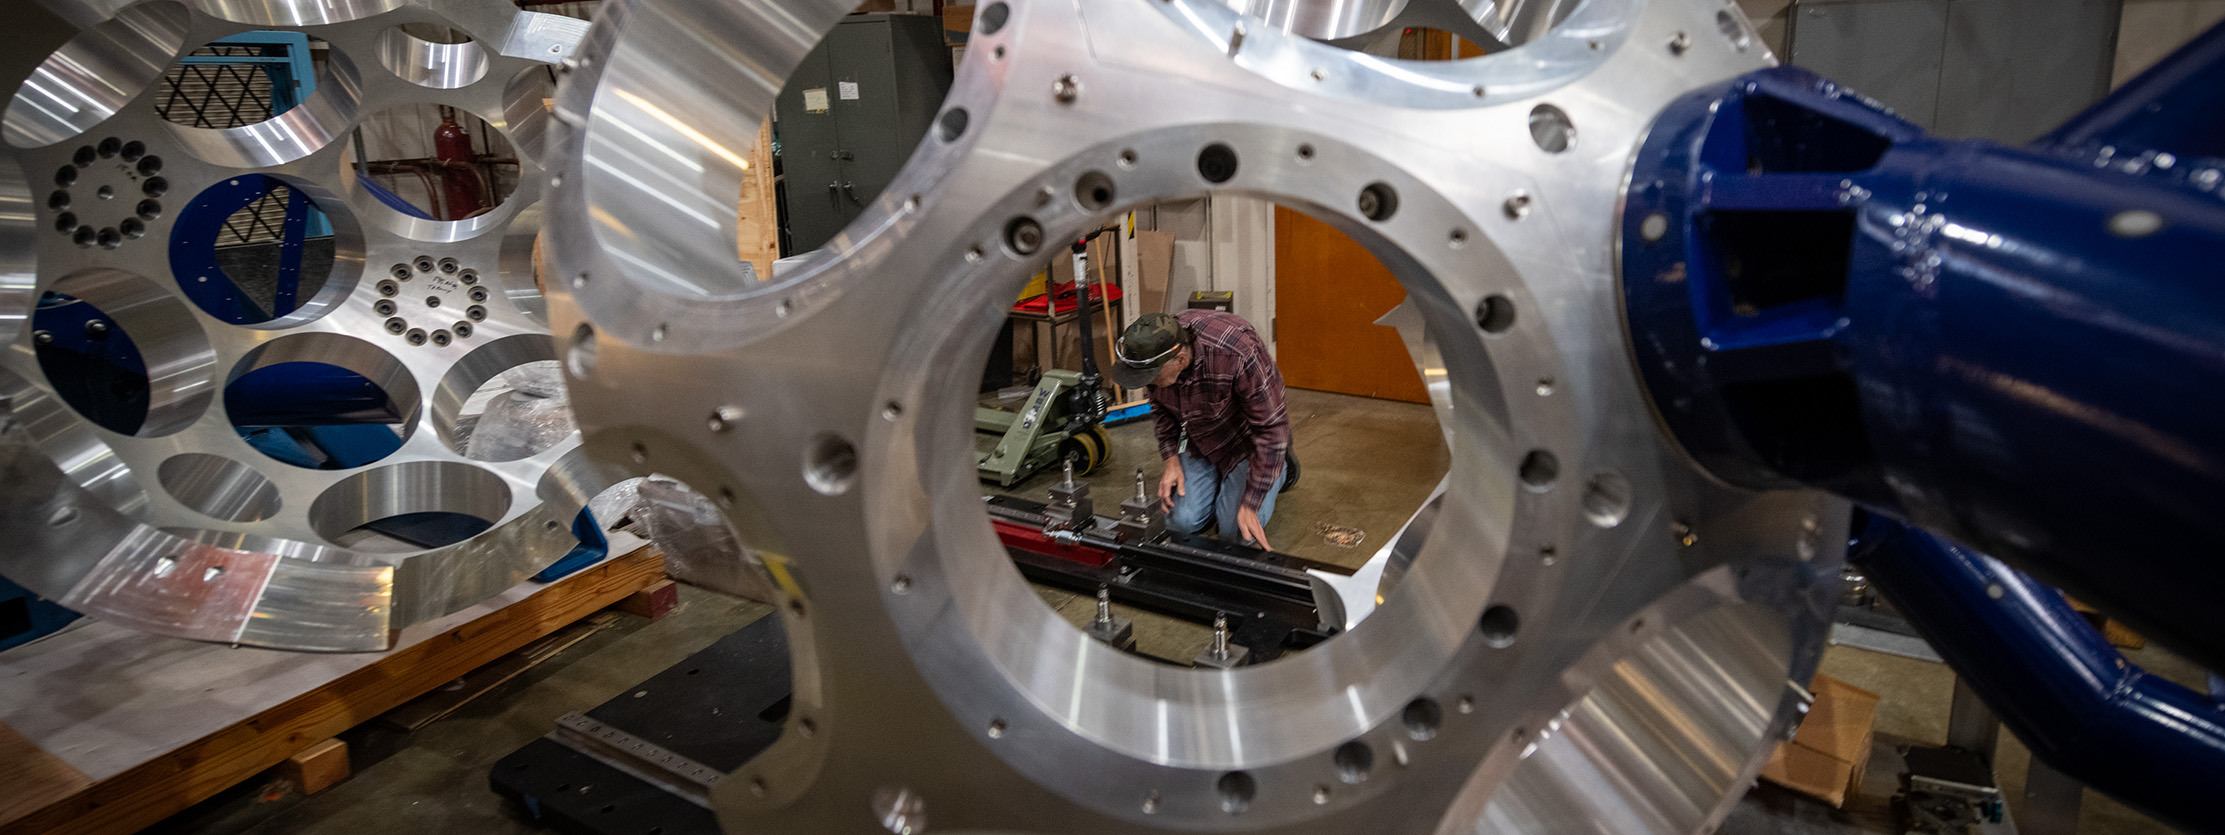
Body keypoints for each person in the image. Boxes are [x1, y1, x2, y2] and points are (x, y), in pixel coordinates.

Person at [1108, 311, 1290, 550]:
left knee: (1235, 534)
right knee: (1180, 522)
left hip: (1246, 444)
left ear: (1181, 360)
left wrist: (1251, 502)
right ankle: (1221, 487)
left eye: (1152, 378)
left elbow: (1272, 432)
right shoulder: (1155, 351)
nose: (1148, 384)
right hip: (1200, 440)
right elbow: (1160, 409)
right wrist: (1171, 459)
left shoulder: (1239, 353)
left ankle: (1282, 469)